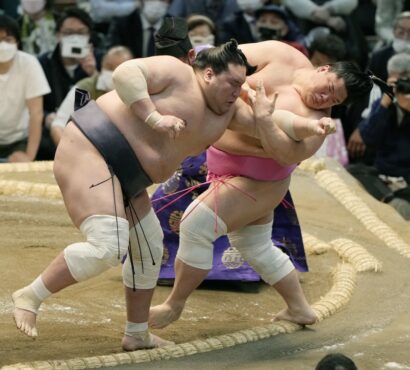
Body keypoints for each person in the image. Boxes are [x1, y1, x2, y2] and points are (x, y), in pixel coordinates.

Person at [11, 38, 265, 349]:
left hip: (130, 177)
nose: (238, 90)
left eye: (243, 84)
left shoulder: (229, 112)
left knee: (149, 247)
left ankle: (137, 332)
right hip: (93, 149)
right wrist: (154, 117)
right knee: (109, 243)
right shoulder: (177, 71)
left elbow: (274, 128)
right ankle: (30, 296)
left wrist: (284, 116)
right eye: (233, 82)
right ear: (210, 74)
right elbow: (125, 74)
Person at [148, 40, 374, 331]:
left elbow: (286, 154)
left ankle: (174, 304)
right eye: (329, 87)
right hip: (222, 165)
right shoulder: (283, 55)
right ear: (324, 68)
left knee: (195, 225)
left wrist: (264, 117)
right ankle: (299, 308)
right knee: (255, 246)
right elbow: (224, 60)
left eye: (335, 101)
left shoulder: (318, 123)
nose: (324, 99)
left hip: (259, 183)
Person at [347, 53, 410, 220]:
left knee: (400, 204)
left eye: (406, 81)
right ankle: (388, 197)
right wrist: (385, 103)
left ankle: (390, 199)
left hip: (407, 175)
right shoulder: (384, 104)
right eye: (397, 82)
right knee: (353, 171)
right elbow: (367, 138)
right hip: (382, 173)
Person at [36, 6, 103, 160]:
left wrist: (93, 74)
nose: (74, 38)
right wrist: (46, 118)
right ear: (58, 35)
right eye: (68, 33)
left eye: (80, 33)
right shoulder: (43, 63)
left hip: (90, 133)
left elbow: (109, 102)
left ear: (89, 36)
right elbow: (32, 104)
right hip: (50, 137)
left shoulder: (101, 60)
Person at [49, 46, 133, 146]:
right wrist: (69, 153)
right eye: (109, 67)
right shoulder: (84, 89)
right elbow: (58, 125)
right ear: (101, 65)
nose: (113, 72)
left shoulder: (139, 93)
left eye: (120, 68)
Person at [0, 14, 50, 163]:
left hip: (19, 140)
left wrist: (29, 155)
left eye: (8, 39)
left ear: (17, 42)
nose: (2, 45)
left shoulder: (29, 63)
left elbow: (36, 113)